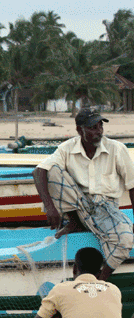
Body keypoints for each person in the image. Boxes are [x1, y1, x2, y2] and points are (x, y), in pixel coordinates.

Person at [33, 107, 134, 280]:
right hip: (79, 206)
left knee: (125, 240)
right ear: (80, 130)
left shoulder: (117, 149)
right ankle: (75, 222)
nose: (99, 131)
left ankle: (101, 279)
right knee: (52, 170)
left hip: (106, 209)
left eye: (100, 126)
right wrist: (50, 208)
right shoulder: (67, 148)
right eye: (93, 128)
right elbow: (38, 171)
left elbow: (132, 185)